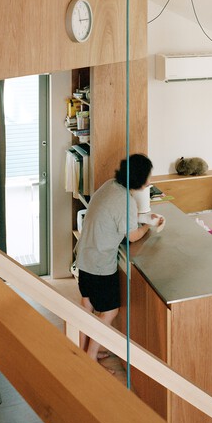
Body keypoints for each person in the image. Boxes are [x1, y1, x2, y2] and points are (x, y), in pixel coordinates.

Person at [76, 153, 165, 370]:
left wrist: (143, 218)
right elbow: (132, 236)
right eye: (148, 176)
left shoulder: (110, 186)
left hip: (84, 257)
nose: (150, 180)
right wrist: (148, 226)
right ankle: (90, 357)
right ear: (139, 179)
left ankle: (80, 352)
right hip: (100, 264)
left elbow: (115, 217)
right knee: (110, 312)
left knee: (87, 305)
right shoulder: (127, 201)